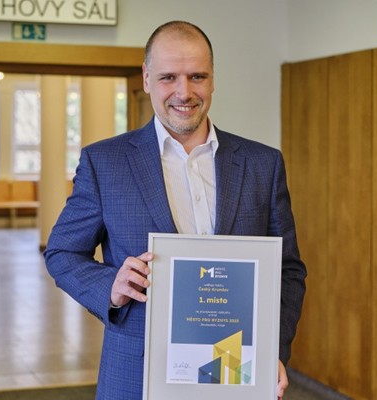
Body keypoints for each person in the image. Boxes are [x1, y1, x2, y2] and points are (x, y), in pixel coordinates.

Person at [44, 20, 307, 400]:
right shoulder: (105, 163)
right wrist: (111, 286)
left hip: (238, 373)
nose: (184, 92)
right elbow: (62, 253)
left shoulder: (262, 164)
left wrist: (272, 351)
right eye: (169, 77)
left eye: (197, 76)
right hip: (136, 376)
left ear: (213, 79)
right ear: (147, 78)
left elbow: (288, 270)